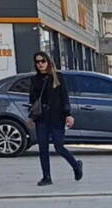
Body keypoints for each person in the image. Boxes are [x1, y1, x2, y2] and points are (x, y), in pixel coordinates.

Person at [29, 52, 82, 187]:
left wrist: (68, 114)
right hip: (41, 118)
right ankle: (46, 177)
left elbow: (64, 97)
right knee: (43, 148)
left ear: (48, 61)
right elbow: (33, 100)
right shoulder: (34, 79)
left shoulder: (57, 77)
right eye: (37, 62)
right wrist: (32, 116)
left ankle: (76, 165)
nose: (40, 64)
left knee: (59, 146)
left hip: (57, 116)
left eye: (43, 61)